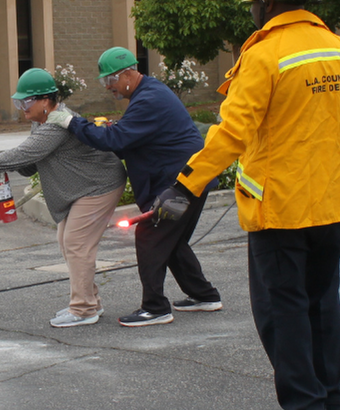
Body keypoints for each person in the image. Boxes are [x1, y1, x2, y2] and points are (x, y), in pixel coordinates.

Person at [152, 0, 340, 410]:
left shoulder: (265, 55)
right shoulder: (339, 50)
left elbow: (231, 133)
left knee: (282, 310)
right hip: (333, 203)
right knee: (323, 301)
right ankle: (331, 398)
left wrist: (185, 186)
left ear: (264, 4)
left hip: (281, 210)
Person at [46, 47, 221, 326]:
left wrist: (72, 123)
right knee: (171, 241)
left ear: (128, 74)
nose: (108, 87)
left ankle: (155, 308)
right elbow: (128, 139)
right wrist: (107, 129)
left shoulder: (149, 99)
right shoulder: (148, 93)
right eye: (104, 82)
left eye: (111, 80)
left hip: (179, 186)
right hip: (189, 181)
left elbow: (114, 141)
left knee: (150, 237)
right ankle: (204, 296)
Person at [0, 68, 126, 326]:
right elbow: (33, 157)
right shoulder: (42, 122)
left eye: (26, 102)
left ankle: (83, 309)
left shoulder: (57, 123)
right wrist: (13, 166)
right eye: (18, 102)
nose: (22, 108)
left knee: (76, 243)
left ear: (45, 101)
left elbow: (25, 152)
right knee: (67, 242)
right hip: (83, 188)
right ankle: (90, 302)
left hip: (99, 185)